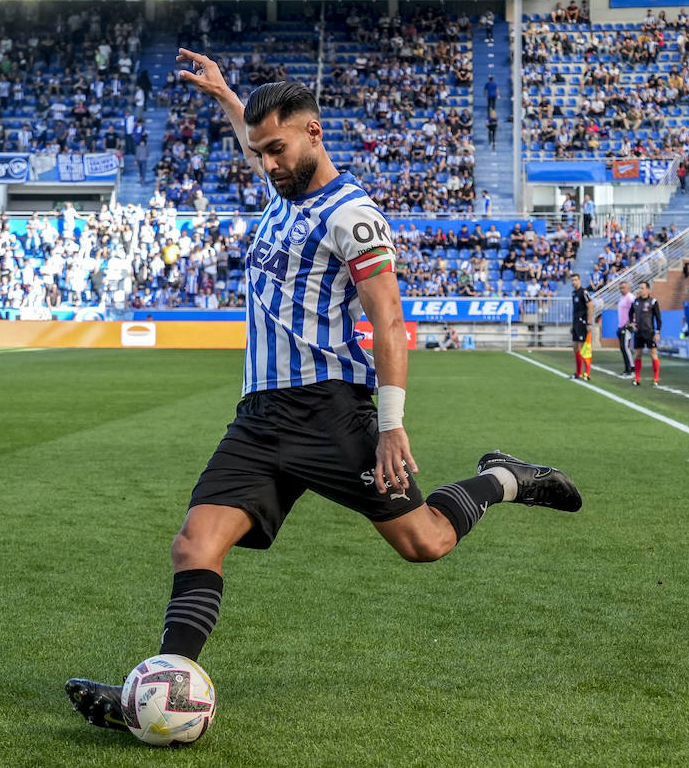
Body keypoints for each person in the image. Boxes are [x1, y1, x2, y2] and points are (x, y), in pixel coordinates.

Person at [64, 53, 583, 732]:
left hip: (329, 412)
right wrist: (225, 95)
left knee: (423, 542)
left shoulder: (352, 215)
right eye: (260, 152)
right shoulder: (284, 192)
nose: (267, 164)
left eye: (277, 150)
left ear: (314, 133)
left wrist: (391, 425)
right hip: (259, 418)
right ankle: (159, 694)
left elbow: (388, 320)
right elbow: (260, 144)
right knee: (194, 543)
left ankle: (505, 479)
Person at [629, 280, 661, 386]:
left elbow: (658, 318)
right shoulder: (635, 301)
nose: (640, 290)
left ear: (648, 289)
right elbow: (630, 313)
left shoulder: (653, 302)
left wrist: (657, 332)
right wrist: (632, 324)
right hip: (638, 332)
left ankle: (656, 379)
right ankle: (637, 379)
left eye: (642, 288)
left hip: (649, 332)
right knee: (638, 354)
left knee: (653, 354)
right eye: (639, 288)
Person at [570, 272, 594, 380]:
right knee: (576, 347)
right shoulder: (574, 293)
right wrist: (572, 325)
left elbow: (591, 306)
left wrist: (589, 322)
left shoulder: (584, 292)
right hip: (576, 323)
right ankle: (578, 372)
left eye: (575, 280)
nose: (574, 282)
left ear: (579, 280)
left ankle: (587, 373)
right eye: (572, 280)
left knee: (583, 348)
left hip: (583, 322)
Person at [615, 280, 635, 377]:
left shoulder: (630, 297)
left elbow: (635, 310)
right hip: (621, 326)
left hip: (627, 327)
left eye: (623, 288)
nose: (621, 290)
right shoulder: (622, 298)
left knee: (626, 347)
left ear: (628, 288)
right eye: (620, 288)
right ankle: (627, 369)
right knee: (623, 348)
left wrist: (630, 322)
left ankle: (632, 368)